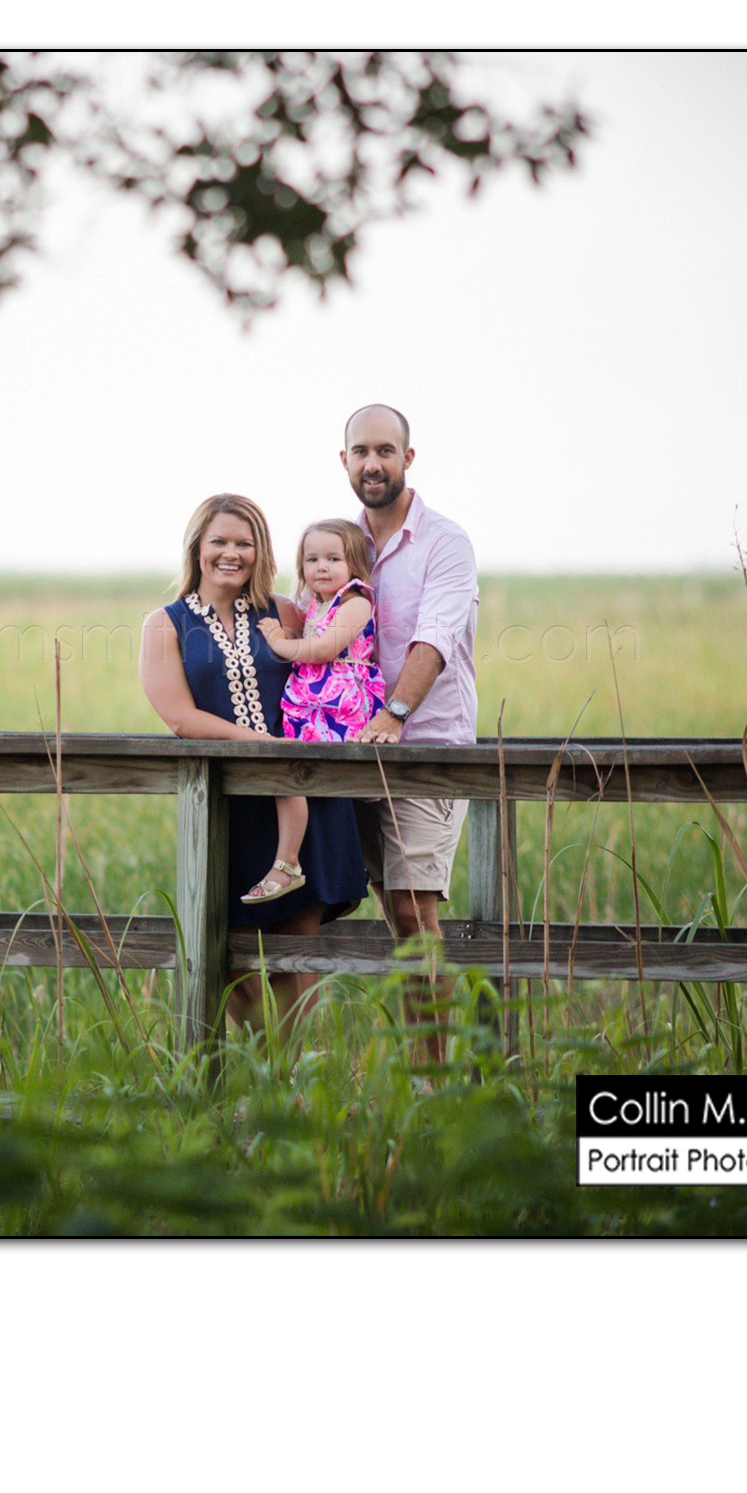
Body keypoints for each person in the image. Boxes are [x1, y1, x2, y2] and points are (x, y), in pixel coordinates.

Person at [138, 493, 369, 1035]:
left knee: (295, 958)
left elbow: (336, 668)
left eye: (244, 543)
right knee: (233, 964)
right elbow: (180, 717)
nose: (232, 554)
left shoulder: (285, 613)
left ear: (260, 551)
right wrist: (262, 745)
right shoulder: (165, 624)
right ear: (197, 547)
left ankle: (291, 1080)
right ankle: (247, 1077)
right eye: (219, 541)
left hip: (303, 801)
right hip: (227, 807)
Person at [342, 404, 480, 1066]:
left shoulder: (444, 542)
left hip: (428, 750)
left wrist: (394, 714)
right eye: (361, 452)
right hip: (356, 754)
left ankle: (436, 1080)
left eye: (385, 451)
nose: (373, 464)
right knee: (394, 915)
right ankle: (420, 1071)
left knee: (414, 915)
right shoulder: (344, 545)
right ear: (344, 461)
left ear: (408, 458)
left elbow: (436, 637)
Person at [245, 519, 387, 904]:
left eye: (333, 559)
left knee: (306, 774)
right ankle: (291, 860)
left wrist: (278, 642)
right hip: (313, 705)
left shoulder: (356, 602)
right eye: (312, 560)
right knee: (291, 772)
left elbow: (323, 649)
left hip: (339, 705)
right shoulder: (317, 605)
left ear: (354, 563)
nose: (321, 567)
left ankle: (301, 863)